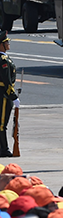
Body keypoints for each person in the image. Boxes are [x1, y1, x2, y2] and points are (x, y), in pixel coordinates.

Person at [0, 30, 18, 158]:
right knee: (2, 124)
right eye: (6, 42)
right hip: (4, 95)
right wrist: (13, 96)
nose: (8, 44)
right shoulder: (3, 60)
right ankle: (3, 148)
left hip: (3, 94)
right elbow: (6, 81)